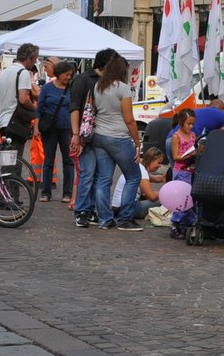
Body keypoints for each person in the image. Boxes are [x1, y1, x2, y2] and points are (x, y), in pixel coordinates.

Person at [90, 52, 146, 230]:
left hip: (99, 135)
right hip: (118, 137)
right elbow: (129, 119)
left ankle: (105, 219)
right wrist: (137, 142)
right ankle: (125, 218)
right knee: (134, 176)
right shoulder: (123, 88)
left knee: (104, 179)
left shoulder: (98, 86)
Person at [69, 49, 116, 227]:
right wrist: (75, 134)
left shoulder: (110, 82)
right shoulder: (82, 80)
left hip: (102, 134)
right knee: (87, 173)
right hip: (84, 134)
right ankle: (81, 210)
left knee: (98, 175)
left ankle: (90, 210)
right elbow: (74, 108)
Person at [37, 60, 76, 202]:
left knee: (68, 161)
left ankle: (67, 193)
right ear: (59, 74)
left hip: (67, 129)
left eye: (70, 75)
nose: (69, 77)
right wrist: (36, 128)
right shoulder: (47, 88)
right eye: (67, 75)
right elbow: (39, 109)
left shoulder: (72, 89)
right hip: (50, 129)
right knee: (48, 160)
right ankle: (46, 192)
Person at [0, 44, 39, 150]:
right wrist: (35, 109)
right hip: (15, 122)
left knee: (7, 159)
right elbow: (23, 99)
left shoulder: (3, 72)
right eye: (35, 60)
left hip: (3, 120)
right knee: (15, 162)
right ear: (29, 58)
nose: (35, 63)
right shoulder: (23, 73)